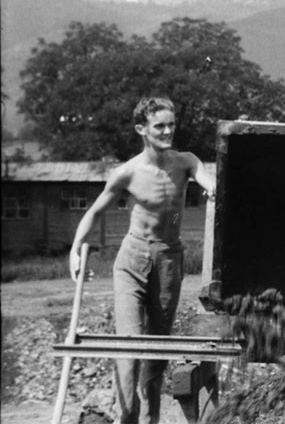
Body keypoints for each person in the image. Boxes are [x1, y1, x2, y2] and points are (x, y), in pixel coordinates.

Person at [68, 96, 217, 424]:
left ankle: (150, 421)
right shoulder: (128, 172)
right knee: (129, 348)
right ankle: (127, 419)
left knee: (156, 354)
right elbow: (94, 212)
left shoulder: (186, 162)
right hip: (132, 260)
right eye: (159, 126)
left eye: (171, 125)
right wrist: (75, 249)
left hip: (169, 260)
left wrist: (213, 191)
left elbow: (211, 184)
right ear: (141, 129)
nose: (167, 131)